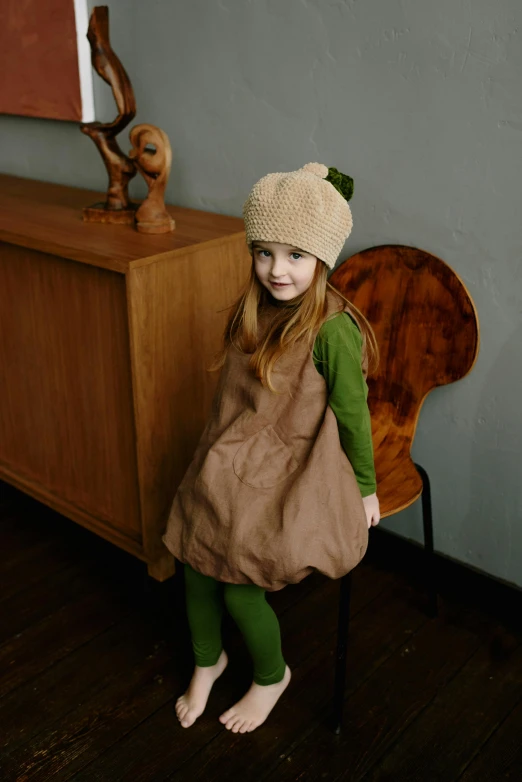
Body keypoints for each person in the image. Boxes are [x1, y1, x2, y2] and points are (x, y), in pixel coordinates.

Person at [162, 161, 380, 735]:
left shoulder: (332, 330)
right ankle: (209, 661)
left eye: (295, 256)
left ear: (322, 259)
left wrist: (365, 487)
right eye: (264, 252)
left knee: (238, 585)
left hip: (292, 461)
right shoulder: (251, 306)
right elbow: (233, 401)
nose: (276, 270)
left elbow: (353, 418)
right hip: (237, 451)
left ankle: (271, 674)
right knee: (193, 557)